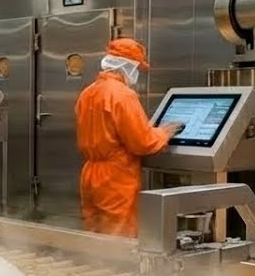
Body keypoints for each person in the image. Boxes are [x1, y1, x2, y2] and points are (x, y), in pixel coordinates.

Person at [74, 38, 183, 238]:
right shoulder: (123, 95)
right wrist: (164, 132)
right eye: (138, 69)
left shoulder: (87, 93)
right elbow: (142, 143)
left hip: (90, 172)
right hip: (115, 177)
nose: (137, 74)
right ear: (129, 66)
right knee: (118, 237)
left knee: (94, 234)